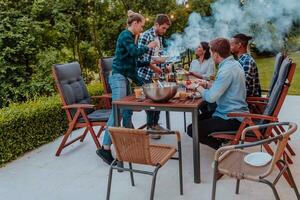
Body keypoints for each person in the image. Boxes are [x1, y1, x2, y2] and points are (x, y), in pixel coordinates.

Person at [96, 10, 158, 165]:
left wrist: (145, 81)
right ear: (135, 23)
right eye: (141, 26)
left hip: (125, 78)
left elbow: (133, 63)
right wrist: (148, 47)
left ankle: (129, 141)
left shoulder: (131, 38)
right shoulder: (125, 35)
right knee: (117, 112)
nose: (142, 29)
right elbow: (134, 52)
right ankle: (105, 147)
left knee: (128, 110)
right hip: (118, 78)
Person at [186, 38, 249, 150]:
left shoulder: (226, 69)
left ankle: (223, 147)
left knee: (192, 129)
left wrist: (197, 87)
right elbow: (225, 86)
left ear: (215, 54)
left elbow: (210, 98)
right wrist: (207, 84)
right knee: (197, 120)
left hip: (232, 118)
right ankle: (224, 140)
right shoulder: (233, 64)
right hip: (230, 112)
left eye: (211, 52)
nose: (211, 55)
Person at [136, 14, 171, 139]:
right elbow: (141, 57)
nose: (164, 30)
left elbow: (159, 55)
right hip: (145, 73)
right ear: (156, 24)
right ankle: (150, 127)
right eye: (163, 28)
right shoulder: (145, 35)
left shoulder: (159, 37)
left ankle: (155, 124)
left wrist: (165, 66)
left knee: (159, 98)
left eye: (166, 28)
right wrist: (155, 67)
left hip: (156, 73)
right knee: (152, 101)